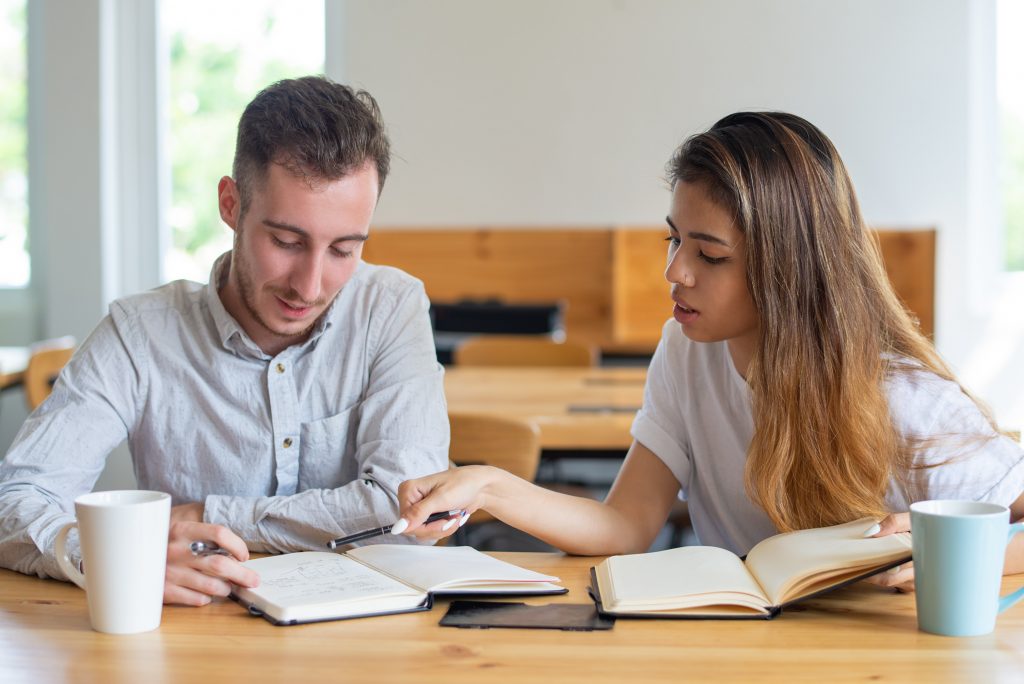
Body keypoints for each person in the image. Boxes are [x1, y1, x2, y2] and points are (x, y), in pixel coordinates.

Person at [393, 111, 1024, 590]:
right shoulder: (686, 352)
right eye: (674, 242)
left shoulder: (902, 397)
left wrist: (949, 546)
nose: (675, 273)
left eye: (710, 255)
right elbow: (626, 527)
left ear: (788, 269)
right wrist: (491, 488)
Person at [0, 76, 451, 605]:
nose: (309, 286)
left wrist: (210, 516)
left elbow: (405, 508)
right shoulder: (140, 332)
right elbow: (18, 499)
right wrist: (109, 554)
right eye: (286, 241)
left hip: (365, 640)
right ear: (231, 204)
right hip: (191, 638)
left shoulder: (390, 307)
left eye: (343, 250)